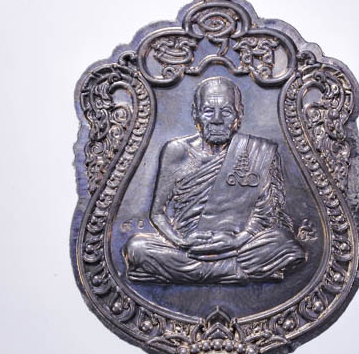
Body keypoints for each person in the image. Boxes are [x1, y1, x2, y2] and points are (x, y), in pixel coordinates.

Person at [122, 76, 306, 283]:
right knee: (137, 248)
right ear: (196, 113)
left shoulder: (259, 151)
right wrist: (180, 241)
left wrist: (238, 241)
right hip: (188, 247)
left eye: (226, 111)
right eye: (209, 111)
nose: (217, 119)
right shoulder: (176, 151)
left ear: (239, 114)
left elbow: (266, 215)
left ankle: (199, 272)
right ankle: (236, 271)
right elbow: (157, 213)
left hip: (238, 246)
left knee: (284, 242)